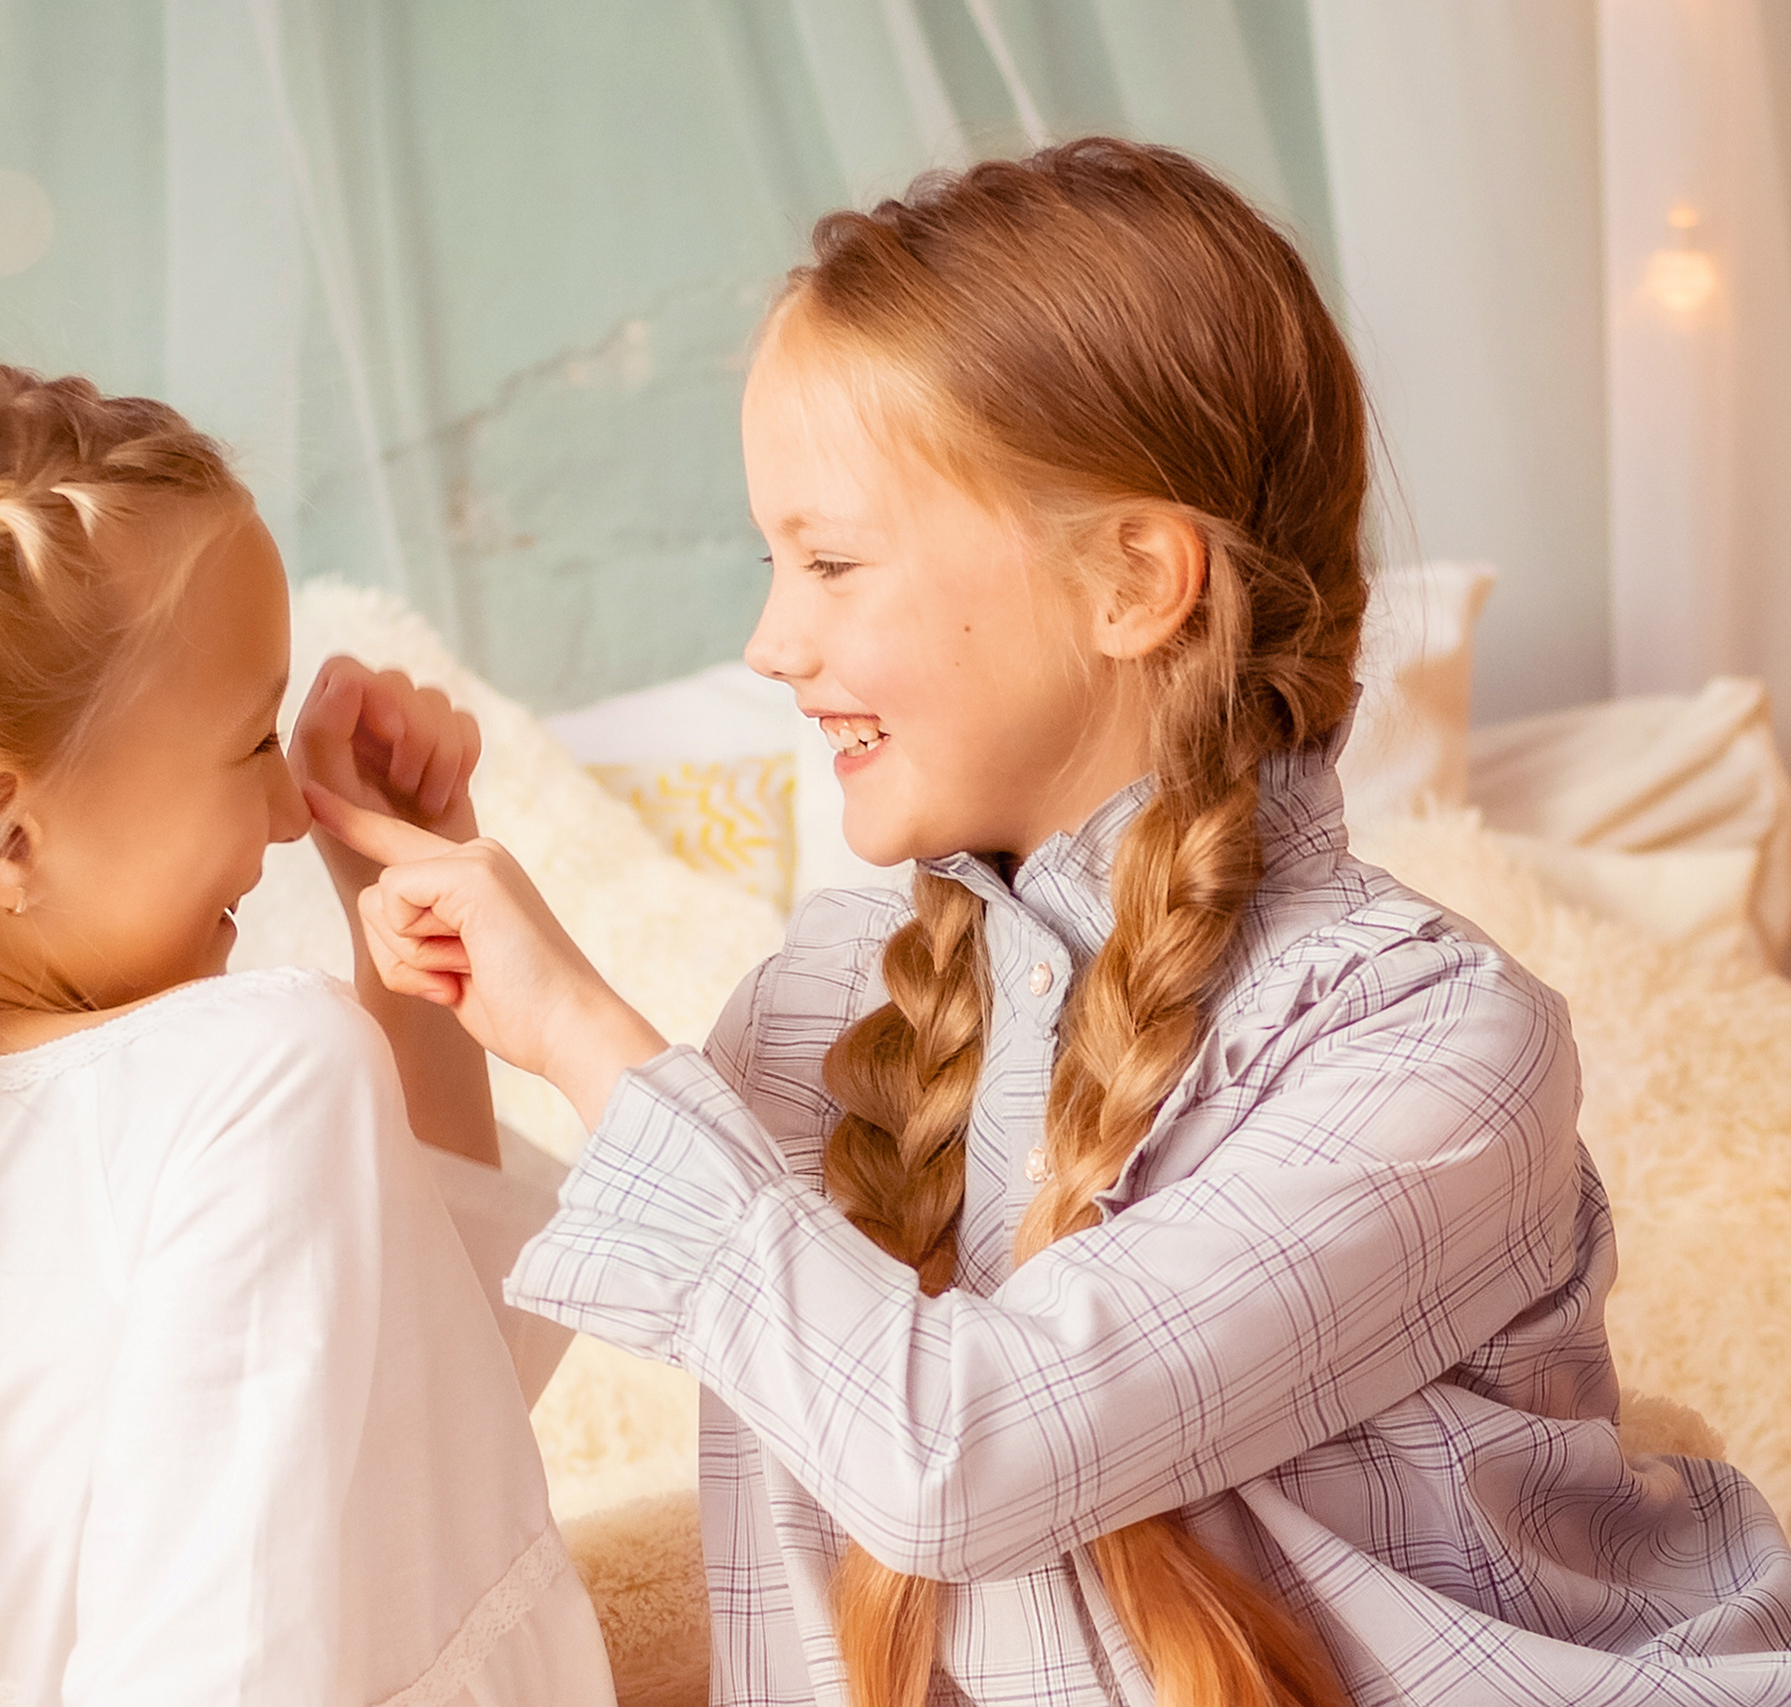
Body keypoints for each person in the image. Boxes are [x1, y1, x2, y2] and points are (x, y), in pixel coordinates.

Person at [309, 140, 1791, 1706]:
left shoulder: (1429, 1042)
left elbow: (970, 1457)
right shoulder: (832, 1006)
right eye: (772, 561)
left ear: (1134, 580)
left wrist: (584, 1034)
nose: (769, 639)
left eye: (831, 561)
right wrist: (410, 940)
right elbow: (439, 1429)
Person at [0, 356, 616, 1707]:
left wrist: (400, 911)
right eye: (255, 740)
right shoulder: (254, 1073)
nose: (292, 811)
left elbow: (419, 1420)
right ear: (6, 837)